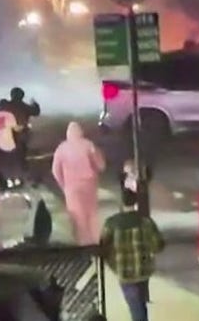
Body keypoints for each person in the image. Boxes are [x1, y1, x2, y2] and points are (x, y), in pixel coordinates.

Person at [99, 188, 165, 321]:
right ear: (135, 201)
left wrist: (111, 262)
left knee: (135, 306)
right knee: (140, 303)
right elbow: (158, 245)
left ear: (121, 203)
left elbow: (102, 247)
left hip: (124, 271)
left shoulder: (111, 223)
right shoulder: (146, 221)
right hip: (143, 269)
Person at [51, 121, 107, 245]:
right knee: (92, 213)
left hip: (71, 188)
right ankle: (96, 241)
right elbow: (101, 165)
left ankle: (83, 243)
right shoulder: (88, 145)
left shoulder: (61, 149)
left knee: (77, 217)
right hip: (89, 184)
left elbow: (55, 171)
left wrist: (63, 185)